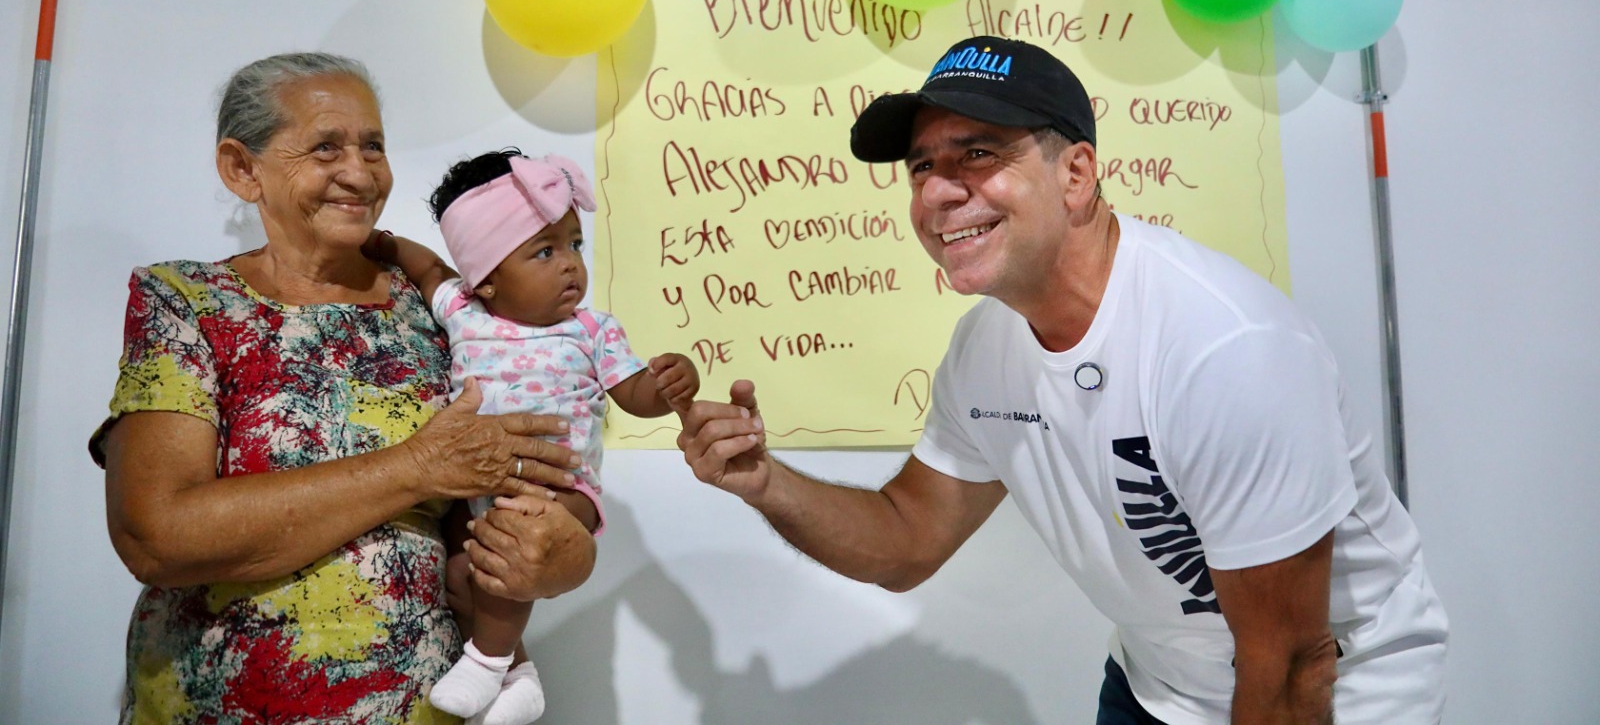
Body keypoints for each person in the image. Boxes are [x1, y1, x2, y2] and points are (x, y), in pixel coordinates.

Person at [676, 36, 1448, 725]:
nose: (938, 192)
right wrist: (765, 482)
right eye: (921, 167)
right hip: (1158, 684)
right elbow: (909, 539)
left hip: (1337, 691)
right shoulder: (986, 347)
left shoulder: (1223, 350)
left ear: (1076, 173)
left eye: (978, 154)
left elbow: (1290, 668)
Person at [92, 53, 597, 725]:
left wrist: (562, 558)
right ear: (243, 169)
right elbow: (155, 535)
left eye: (374, 147)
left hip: (417, 707)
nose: (359, 174)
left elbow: (496, 514)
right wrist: (416, 467)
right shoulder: (186, 302)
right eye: (326, 147)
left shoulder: (440, 313)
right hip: (217, 706)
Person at [366, 149, 698, 724]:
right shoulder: (463, 313)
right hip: (479, 490)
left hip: (563, 492)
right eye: (544, 251)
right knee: (460, 576)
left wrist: (669, 388)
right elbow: (427, 269)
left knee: (508, 543)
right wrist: (387, 245)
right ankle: (520, 678)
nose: (570, 264)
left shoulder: (591, 330)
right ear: (487, 280)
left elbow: (633, 395)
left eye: (574, 244)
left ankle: (486, 661)